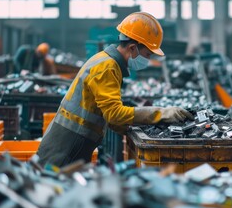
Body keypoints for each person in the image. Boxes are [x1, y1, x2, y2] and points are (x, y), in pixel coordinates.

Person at [37, 12, 193, 167]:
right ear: (132, 48)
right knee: (56, 187)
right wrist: (163, 114)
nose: (148, 60)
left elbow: (107, 113)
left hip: (70, 140)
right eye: (147, 54)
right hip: (67, 146)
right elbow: (114, 114)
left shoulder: (106, 61)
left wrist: (135, 129)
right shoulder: (108, 68)